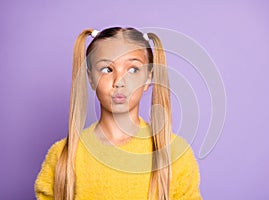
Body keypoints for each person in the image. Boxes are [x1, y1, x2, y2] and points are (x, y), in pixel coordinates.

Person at [35, 27, 202, 200]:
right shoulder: (62, 156)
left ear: (148, 79)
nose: (119, 82)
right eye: (107, 69)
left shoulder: (175, 153)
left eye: (132, 70)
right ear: (91, 78)